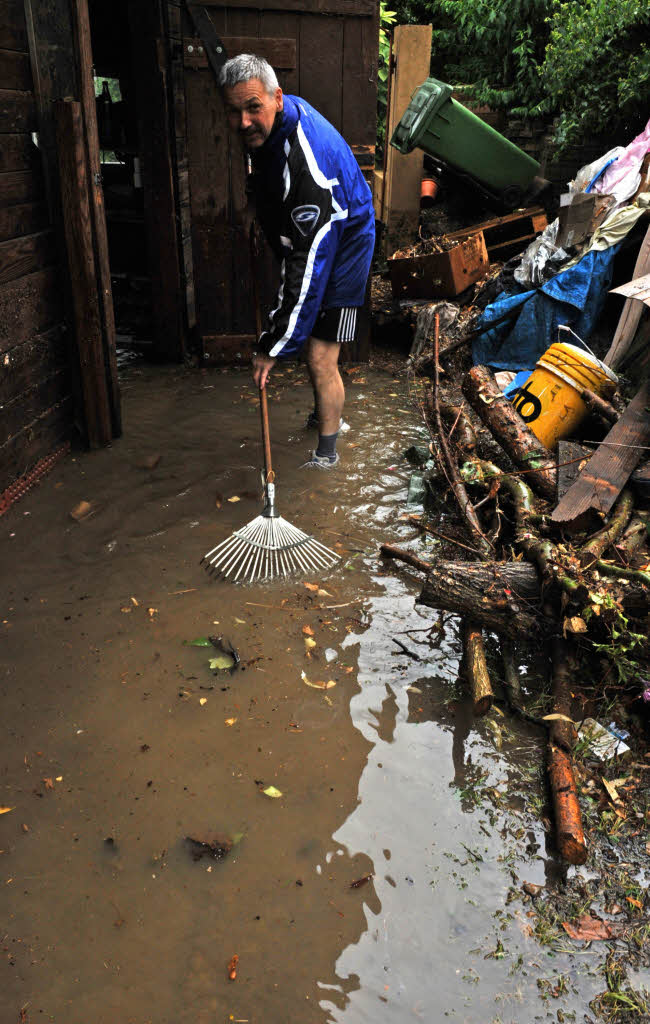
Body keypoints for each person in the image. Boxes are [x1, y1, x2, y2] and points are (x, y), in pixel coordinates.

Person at [219, 54, 375, 468]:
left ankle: (327, 457)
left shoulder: (307, 162)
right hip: (315, 229)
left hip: (347, 243)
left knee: (321, 355)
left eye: (254, 108)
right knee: (309, 341)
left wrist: (272, 346)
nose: (245, 121)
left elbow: (309, 263)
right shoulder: (274, 126)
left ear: (278, 99)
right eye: (235, 112)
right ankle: (326, 413)